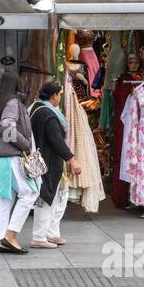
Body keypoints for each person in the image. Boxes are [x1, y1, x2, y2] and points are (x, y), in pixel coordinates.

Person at [0, 71, 39, 254]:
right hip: (9, 157)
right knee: (30, 193)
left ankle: (0, 239)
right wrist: (25, 144)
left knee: (4, 199)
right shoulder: (12, 102)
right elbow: (7, 127)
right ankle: (11, 235)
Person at [28, 81, 81, 250]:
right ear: (53, 96)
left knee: (56, 197)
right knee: (47, 198)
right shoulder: (48, 115)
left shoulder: (35, 108)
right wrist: (72, 160)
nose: (60, 97)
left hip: (41, 161)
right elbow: (56, 141)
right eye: (59, 94)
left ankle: (50, 233)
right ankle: (39, 236)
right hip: (48, 162)